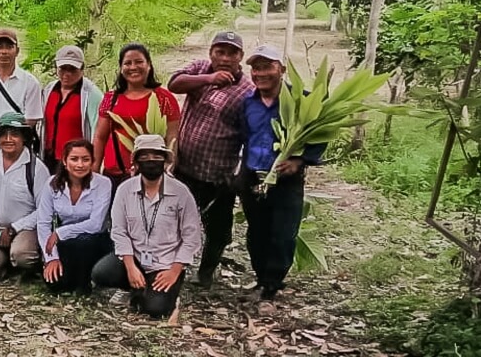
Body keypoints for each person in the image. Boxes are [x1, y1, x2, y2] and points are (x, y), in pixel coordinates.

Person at [166, 31, 256, 287]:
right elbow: (174, 84)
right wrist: (208, 79)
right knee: (174, 221)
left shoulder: (247, 91)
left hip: (218, 174)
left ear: (240, 56)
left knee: (218, 229)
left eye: (232, 53)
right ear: (211, 53)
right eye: (220, 51)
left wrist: (241, 172)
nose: (225, 58)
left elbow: (250, 134)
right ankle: (171, 269)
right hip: (183, 168)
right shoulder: (200, 69)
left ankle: (207, 271)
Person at [238, 45, 326, 302]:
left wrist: (300, 161)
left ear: (282, 70)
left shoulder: (302, 101)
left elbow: (320, 135)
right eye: (256, 68)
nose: (260, 73)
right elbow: (243, 137)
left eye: (267, 67)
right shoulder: (247, 104)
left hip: (286, 179)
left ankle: (272, 285)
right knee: (257, 232)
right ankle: (261, 279)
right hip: (253, 176)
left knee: (283, 233)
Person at [92, 134, 202, 319]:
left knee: (155, 310)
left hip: (165, 262)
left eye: (156, 156)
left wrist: (174, 271)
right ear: (136, 162)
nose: (151, 161)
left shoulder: (181, 192)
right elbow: (120, 231)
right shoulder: (125, 189)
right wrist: (130, 267)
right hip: (135, 257)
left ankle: (162, 290)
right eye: (144, 157)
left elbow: (192, 236)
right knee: (101, 273)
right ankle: (132, 286)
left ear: (165, 161)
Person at [0, 112, 50, 280]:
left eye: (15, 134)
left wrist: (14, 228)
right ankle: (8, 263)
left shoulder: (37, 168)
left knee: (22, 255)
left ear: (24, 138)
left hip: (25, 229)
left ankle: (28, 268)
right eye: (4, 134)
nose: (8, 139)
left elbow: (44, 210)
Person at [93, 43, 182, 186]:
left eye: (139, 62)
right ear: (121, 68)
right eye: (127, 63)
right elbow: (100, 137)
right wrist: (94, 171)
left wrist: (168, 168)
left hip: (149, 174)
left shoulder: (164, 99)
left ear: (149, 65)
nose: (133, 67)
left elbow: (172, 138)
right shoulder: (111, 99)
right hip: (114, 174)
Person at [36, 139, 113, 295]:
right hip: (64, 244)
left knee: (81, 245)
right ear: (64, 161)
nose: (80, 165)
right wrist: (51, 258)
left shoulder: (103, 183)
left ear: (92, 162)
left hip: (94, 241)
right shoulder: (52, 183)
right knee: (55, 285)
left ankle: (87, 282)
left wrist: (60, 232)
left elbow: (96, 224)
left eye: (85, 159)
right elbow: (43, 222)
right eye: (74, 159)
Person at [40, 45, 104, 169]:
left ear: (82, 69)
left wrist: (94, 165)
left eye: (72, 69)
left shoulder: (92, 94)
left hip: (77, 162)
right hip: (49, 158)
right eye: (63, 69)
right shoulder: (49, 89)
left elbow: (98, 133)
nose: (67, 74)